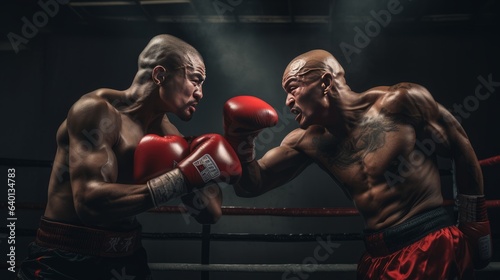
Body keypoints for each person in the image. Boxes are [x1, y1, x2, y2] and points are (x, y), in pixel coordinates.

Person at [223, 49, 492, 279]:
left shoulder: (400, 102)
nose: (287, 101)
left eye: (293, 88)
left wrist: (474, 220)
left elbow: (460, 144)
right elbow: (252, 185)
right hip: (377, 257)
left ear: (325, 83)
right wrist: (242, 142)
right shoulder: (307, 141)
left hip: (429, 244)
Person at [17, 34, 241, 280]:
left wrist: (205, 169)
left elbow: (209, 214)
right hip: (64, 258)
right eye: (195, 80)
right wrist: (182, 179)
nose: (200, 93)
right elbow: (89, 204)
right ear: (160, 75)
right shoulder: (97, 112)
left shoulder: (169, 135)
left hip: (126, 258)